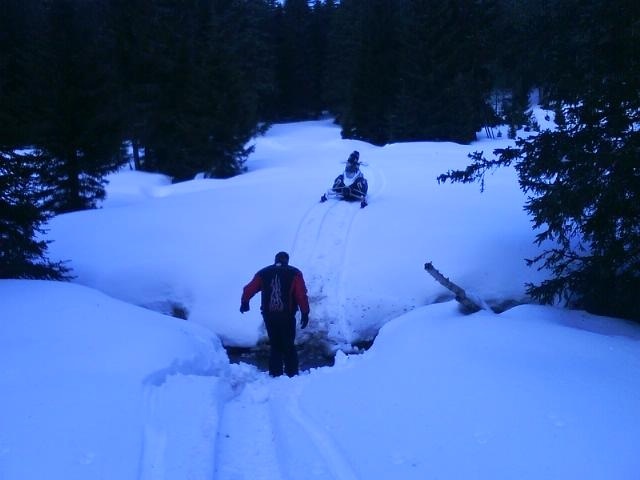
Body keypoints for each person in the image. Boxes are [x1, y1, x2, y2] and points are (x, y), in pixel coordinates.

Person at [240, 251, 310, 377]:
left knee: (275, 344)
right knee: (288, 344)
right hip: (287, 315)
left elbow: (248, 289)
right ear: (286, 260)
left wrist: (245, 302)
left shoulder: (263, 273)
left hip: (269, 315)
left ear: (275, 260)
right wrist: (305, 313)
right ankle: (292, 374)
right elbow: (301, 295)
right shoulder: (295, 273)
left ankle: (275, 373)